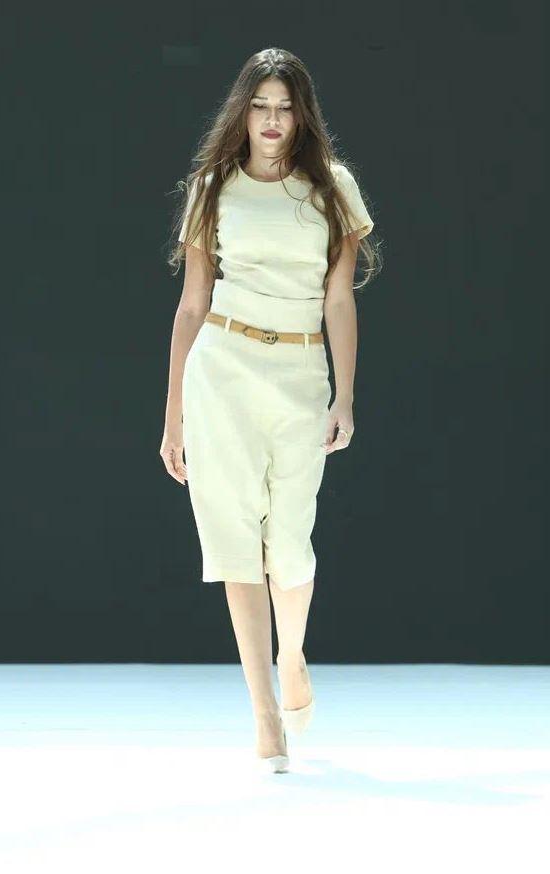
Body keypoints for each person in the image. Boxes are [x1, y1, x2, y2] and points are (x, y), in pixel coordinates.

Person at [161, 48, 382, 773]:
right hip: (221, 369)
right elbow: (191, 304)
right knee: (234, 542)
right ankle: (264, 715)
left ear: (302, 115)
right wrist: (173, 415)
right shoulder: (212, 188)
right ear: (242, 111)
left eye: (285, 108)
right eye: (260, 106)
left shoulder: (332, 188)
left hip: (298, 371)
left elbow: (338, 299)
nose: (272, 120)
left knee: (289, 542)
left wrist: (345, 395)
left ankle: (292, 655)